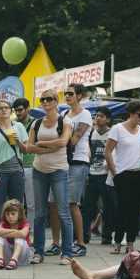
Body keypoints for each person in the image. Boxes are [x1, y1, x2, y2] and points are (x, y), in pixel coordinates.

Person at [26, 89, 73, 265]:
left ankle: (67, 253)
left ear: (56, 100)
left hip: (59, 171)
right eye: (42, 99)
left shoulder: (65, 120)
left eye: (49, 99)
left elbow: (63, 142)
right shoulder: (36, 123)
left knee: (63, 213)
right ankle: (38, 252)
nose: (45, 101)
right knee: (39, 214)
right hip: (39, 170)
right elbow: (29, 147)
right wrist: (49, 148)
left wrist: (43, 143)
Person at [52, 83, 93, 257]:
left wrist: (55, 141)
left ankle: (81, 243)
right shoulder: (62, 114)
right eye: (65, 93)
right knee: (54, 203)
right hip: (61, 161)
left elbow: (73, 140)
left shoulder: (85, 114)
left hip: (78, 161)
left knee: (72, 204)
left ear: (79, 96)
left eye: (70, 93)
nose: (67, 96)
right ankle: (56, 243)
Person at [106, 101, 140, 254]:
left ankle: (130, 243)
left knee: (136, 211)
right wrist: (115, 173)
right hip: (123, 174)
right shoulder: (117, 129)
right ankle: (117, 242)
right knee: (123, 209)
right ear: (131, 114)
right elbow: (108, 152)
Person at [0, 100, 27, 251]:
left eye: (6, 108)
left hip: (16, 171)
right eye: (0, 108)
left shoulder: (19, 127)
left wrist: (18, 141)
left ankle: (18, 243)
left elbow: (26, 149)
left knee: (18, 206)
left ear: (11, 111)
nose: (3, 110)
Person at [81, 106, 114, 245]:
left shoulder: (113, 133)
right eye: (97, 116)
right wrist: (87, 171)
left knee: (108, 207)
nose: (98, 118)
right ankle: (83, 236)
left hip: (107, 175)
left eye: (101, 116)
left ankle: (106, 237)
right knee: (87, 207)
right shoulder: (91, 134)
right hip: (92, 173)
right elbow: (89, 154)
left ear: (108, 119)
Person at [12, 97, 35, 235]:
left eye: (20, 110)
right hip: (16, 165)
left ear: (28, 109)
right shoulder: (13, 125)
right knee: (16, 202)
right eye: (15, 111)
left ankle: (30, 232)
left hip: (31, 165)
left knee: (31, 203)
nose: (18, 113)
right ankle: (16, 231)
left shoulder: (35, 123)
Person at [0, 199, 31, 270]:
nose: (10, 216)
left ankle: (14, 260)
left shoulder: (25, 224)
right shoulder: (3, 224)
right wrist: (14, 231)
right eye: (7, 214)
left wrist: (5, 233)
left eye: (13, 214)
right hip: (8, 256)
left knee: (19, 237)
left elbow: (23, 233)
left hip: (22, 256)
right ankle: (0, 259)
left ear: (19, 214)